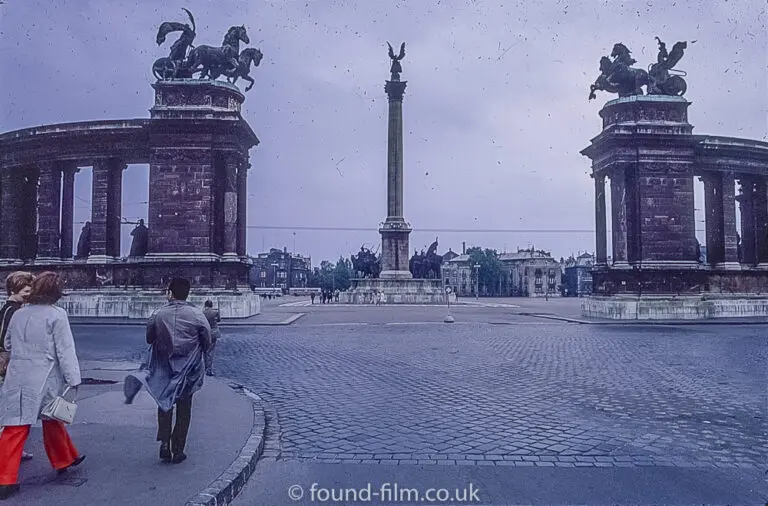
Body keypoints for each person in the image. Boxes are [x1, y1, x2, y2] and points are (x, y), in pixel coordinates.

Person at [0, 272, 85, 500]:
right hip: (44, 375)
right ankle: (62, 460)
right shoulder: (57, 315)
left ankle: (5, 478)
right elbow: (65, 350)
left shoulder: (19, 314)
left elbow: (7, 342)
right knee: (51, 417)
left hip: (18, 373)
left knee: (15, 426)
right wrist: (73, 379)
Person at [124, 278, 211, 464]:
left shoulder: (158, 314)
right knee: (184, 409)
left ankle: (164, 442)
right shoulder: (197, 315)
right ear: (188, 293)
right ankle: (178, 450)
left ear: (169, 293)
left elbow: (149, 338)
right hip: (189, 369)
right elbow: (207, 340)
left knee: (164, 404)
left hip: (165, 367)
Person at [0, 272, 36, 463]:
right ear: (14, 290)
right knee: (11, 410)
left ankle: (14, 450)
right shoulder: (12, 311)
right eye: (26, 291)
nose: (28, 295)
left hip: (12, 364)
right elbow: (4, 340)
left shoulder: (14, 308)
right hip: (9, 365)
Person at [202, 300, 221, 377]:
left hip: (205, 333)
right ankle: (208, 369)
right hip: (213, 333)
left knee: (205, 351)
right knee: (210, 352)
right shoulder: (215, 312)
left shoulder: (202, 313)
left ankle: (204, 368)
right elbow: (219, 320)